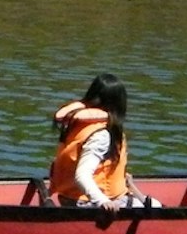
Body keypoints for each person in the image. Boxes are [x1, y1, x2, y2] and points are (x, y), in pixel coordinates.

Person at [48, 73, 159, 211]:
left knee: (147, 202)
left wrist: (127, 183)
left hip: (68, 196)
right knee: (157, 207)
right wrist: (102, 201)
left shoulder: (77, 123)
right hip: (87, 203)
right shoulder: (101, 135)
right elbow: (82, 175)